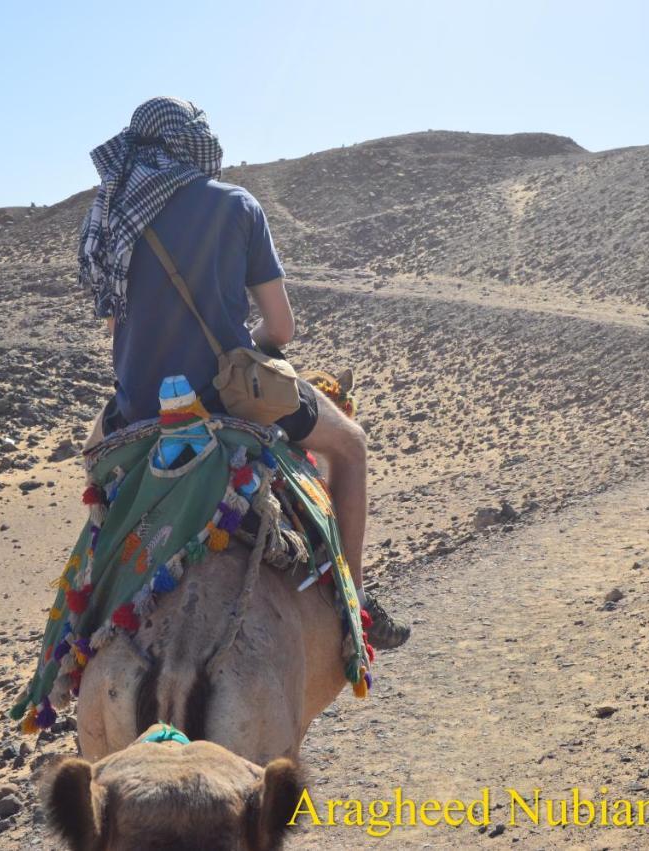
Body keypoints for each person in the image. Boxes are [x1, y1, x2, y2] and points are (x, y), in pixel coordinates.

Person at [78, 96, 409, 650]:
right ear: (192, 141)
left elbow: (116, 327)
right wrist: (244, 344)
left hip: (139, 406)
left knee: (94, 473)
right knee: (350, 444)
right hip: (227, 399)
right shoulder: (236, 206)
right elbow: (281, 327)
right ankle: (351, 611)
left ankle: (91, 610)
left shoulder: (108, 213)